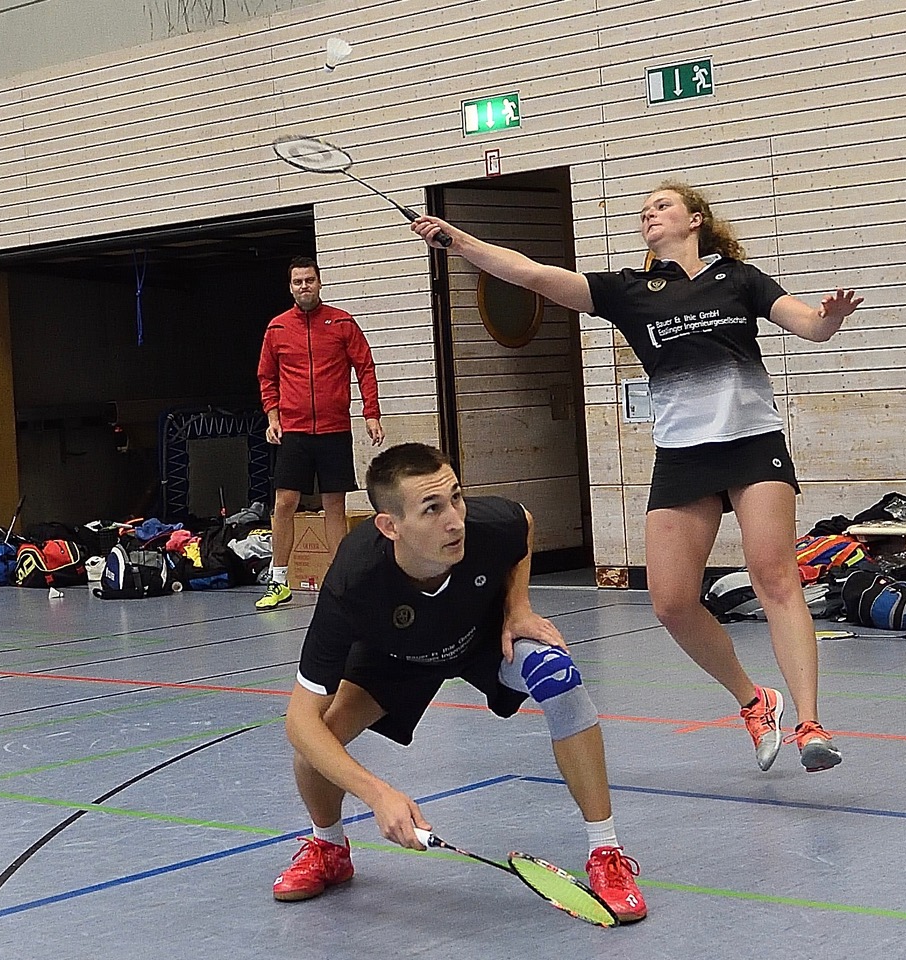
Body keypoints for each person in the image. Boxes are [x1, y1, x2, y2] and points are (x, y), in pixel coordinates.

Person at [410, 183, 861, 774]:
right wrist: (458, 240)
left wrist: (827, 317)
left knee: (773, 575)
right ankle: (755, 701)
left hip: (752, 443)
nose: (650, 213)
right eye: (644, 210)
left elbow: (808, 324)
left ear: (695, 219)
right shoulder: (628, 291)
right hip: (683, 455)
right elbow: (532, 274)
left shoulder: (740, 279)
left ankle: (809, 723)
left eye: (663, 205)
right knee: (672, 603)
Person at [272, 441, 648, 922]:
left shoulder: (486, 527)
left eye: (456, 497)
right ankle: (329, 847)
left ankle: (606, 853)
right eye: (431, 509)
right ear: (390, 527)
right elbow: (299, 720)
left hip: (483, 636)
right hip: (395, 656)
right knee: (316, 743)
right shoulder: (353, 581)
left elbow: (524, 525)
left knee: (559, 676)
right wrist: (377, 793)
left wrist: (518, 608)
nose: (454, 519)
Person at [256, 256, 385, 610]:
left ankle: (338, 580)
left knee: (333, 503)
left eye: (309, 280)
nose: (304, 287)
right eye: (297, 282)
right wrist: (273, 416)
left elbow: (365, 366)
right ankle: (278, 579)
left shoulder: (342, 323)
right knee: (284, 502)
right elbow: (266, 376)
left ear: (319, 282)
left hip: (334, 428)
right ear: (290, 286)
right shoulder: (277, 329)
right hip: (294, 430)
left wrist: (371, 413)